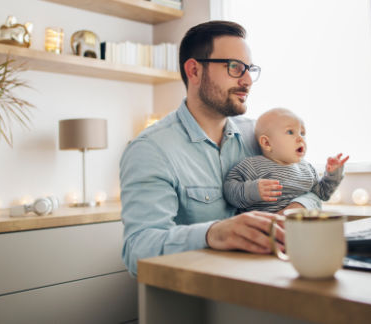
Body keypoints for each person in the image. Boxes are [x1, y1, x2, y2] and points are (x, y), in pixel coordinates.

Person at [119, 21, 321, 276]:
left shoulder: (259, 136)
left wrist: (296, 209)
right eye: (235, 67)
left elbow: (313, 191)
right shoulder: (150, 150)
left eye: (249, 69)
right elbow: (138, 250)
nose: (247, 80)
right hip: (201, 301)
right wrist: (212, 233)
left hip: (272, 281)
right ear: (194, 71)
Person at [223, 108, 349, 213]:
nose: (300, 138)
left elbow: (323, 194)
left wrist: (333, 174)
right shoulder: (252, 165)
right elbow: (229, 190)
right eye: (290, 132)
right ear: (267, 143)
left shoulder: (307, 169)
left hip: (300, 230)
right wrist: (252, 190)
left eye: (302, 133)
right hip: (262, 231)